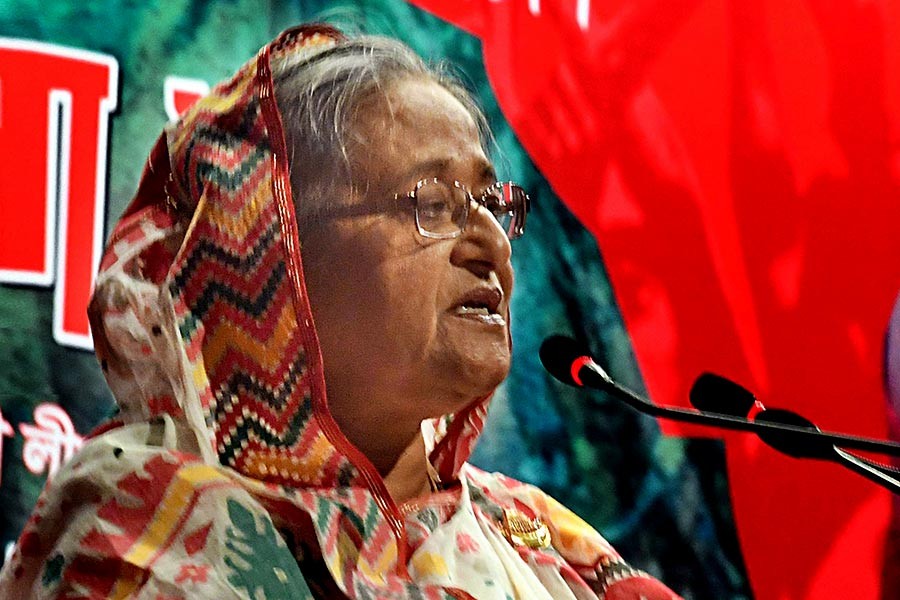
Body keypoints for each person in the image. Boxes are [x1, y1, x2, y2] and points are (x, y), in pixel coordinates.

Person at [0, 24, 680, 599]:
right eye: (433, 204)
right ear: (278, 253)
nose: (491, 243)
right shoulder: (149, 514)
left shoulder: (536, 536)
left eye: (493, 203)